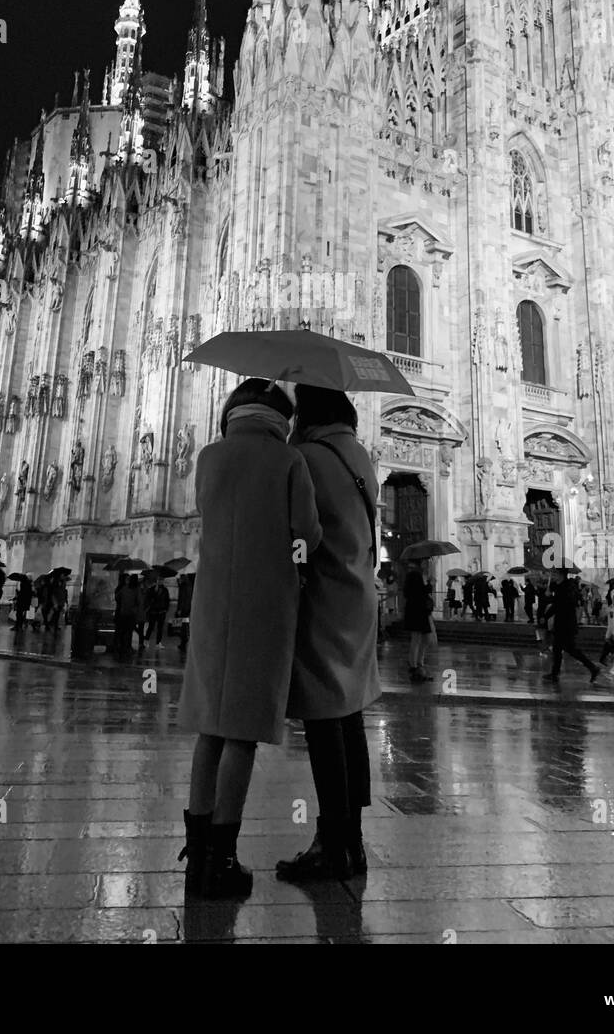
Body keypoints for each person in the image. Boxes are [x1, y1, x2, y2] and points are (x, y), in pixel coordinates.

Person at [177, 378, 321, 900]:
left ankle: (197, 859)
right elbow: (305, 533)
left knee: (209, 730)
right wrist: (299, 559)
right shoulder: (290, 462)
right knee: (241, 732)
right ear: (281, 418)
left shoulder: (210, 458)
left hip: (213, 601)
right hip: (266, 602)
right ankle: (223, 857)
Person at [276, 384, 381, 884]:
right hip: (361, 598)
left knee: (323, 720)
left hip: (324, 598)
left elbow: (299, 532)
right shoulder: (359, 455)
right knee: (350, 717)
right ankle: (352, 841)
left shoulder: (306, 457)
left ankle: (332, 842)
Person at [544, 566, 600, 684]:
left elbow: (560, 604)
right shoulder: (561, 587)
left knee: (571, 649)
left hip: (566, 624)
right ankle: (555, 674)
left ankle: (593, 668)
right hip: (561, 623)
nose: (553, 576)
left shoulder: (567, 588)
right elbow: (557, 603)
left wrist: (549, 603)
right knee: (557, 649)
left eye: (555, 573)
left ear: (561, 575)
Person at [403, 565, 435, 682]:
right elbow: (422, 591)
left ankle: (417, 663)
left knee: (422, 638)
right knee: (418, 638)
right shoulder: (415, 576)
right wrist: (429, 583)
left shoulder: (413, 576)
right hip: (418, 612)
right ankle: (415, 665)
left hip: (417, 612)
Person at [114, 574, 141, 657]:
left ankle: (121, 648)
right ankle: (126, 648)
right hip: (130, 614)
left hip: (122, 613)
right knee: (128, 632)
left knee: (122, 632)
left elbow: (117, 598)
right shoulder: (135, 589)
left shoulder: (122, 588)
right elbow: (139, 601)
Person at [144, 577, 171, 645]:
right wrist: (155, 592)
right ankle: (146, 640)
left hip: (162, 611)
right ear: (156, 581)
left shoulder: (165, 590)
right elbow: (148, 599)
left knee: (160, 628)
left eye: (162, 580)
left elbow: (167, 600)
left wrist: (166, 609)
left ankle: (158, 643)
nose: (161, 581)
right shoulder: (151, 589)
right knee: (151, 626)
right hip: (153, 611)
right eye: (159, 580)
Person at [175, 572, 195, 652]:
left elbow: (183, 599)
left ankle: (183, 641)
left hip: (183, 609)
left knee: (182, 626)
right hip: (187, 609)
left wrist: (180, 609)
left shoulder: (184, 587)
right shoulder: (188, 585)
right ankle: (183, 641)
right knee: (184, 625)